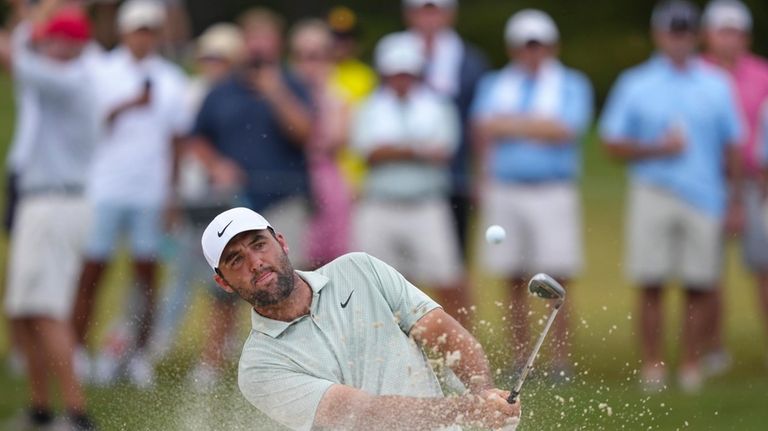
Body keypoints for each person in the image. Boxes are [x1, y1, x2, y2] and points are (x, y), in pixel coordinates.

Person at [200, 207, 521, 430]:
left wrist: (486, 396)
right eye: (236, 260)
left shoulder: (359, 269)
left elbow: (446, 336)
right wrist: (469, 411)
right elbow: (362, 414)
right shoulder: (258, 367)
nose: (255, 263)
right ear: (223, 283)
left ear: (281, 242)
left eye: (259, 245)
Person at [599, 0, 743, 393]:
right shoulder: (636, 82)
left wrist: (734, 200)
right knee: (651, 281)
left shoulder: (717, 83)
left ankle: (692, 364)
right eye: (671, 32)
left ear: (694, 36)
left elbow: (732, 146)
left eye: (685, 33)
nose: (678, 40)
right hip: (654, 191)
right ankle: (654, 365)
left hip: (705, 194)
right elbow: (612, 143)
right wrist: (656, 149)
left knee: (700, 283)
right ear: (659, 35)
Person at [71, 0, 191, 388]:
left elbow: (176, 143)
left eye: (150, 30)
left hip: (150, 191)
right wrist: (128, 105)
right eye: (138, 29)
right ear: (124, 33)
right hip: (105, 186)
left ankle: (139, 354)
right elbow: (88, 128)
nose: (144, 37)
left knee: (147, 275)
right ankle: (76, 350)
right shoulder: (101, 72)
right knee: (93, 271)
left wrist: (172, 195)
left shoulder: (172, 79)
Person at [470, 9, 593, 376]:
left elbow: (565, 130)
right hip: (506, 189)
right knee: (511, 276)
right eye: (525, 46)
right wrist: (536, 126)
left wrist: (510, 124)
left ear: (551, 47)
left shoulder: (571, 83)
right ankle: (521, 359)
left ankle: (559, 359)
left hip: (552, 191)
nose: (532, 53)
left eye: (538, 45)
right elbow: (483, 127)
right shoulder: (495, 83)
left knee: (557, 277)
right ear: (514, 49)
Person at [2, 2, 100, 428]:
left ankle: (77, 414)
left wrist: (25, 18)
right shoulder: (53, 76)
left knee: (45, 310)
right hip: (40, 202)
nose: (50, 45)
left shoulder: (72, 79)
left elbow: (10, 55)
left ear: (74, 44)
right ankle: (42, 409)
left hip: (56, 204)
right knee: (21, 310)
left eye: (59, 39)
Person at [149, 22, 247, 390]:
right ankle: (160, 345)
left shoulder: (234, 97)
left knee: (227, 278)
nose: (213, 64)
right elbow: (181, 142)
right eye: (208, 56)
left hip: (224, 198)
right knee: (182, 274)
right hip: (191, 196)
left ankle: (222, 349)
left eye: (220, 57)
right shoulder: (191, 92)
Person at [351, 32, 470, 325]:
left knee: (447, 278)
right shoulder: (369, 107)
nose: (401, 80)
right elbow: (368, 153)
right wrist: (417, 148)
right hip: (380, 205)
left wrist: (393, 148)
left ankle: (458, 351)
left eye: (407, 74)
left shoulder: (438, 106)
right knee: (373, 285)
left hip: (426, 205)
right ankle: (385, 350)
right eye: (395, 74)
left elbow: (443, 151)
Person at [187, 7, 313, 268]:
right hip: (234, 202)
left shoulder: (295, 84)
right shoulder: (222, 90)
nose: (258, 47)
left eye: (265, 38)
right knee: (229, 286)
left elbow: (305, 134)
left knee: (287, 279)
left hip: (285, 200)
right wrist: (216, 165)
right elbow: (197, 138)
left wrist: (276, 92)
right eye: (252, 38)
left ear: (279, 43)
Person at [700, 0, 768, 374]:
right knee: (708, 272)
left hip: (758, 183)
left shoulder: (763, 74)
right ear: (708, 35)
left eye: (737, 31)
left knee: (764, 266)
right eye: (723, 31)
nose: (731, 39)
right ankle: (712, 349)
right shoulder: (696, 74)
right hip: (708, 183)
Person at [402, 0, 489, 268]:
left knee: (453, 264)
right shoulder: (394, 51)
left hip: (455, 175)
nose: (429, 19)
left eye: (435, 10)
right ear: (410, 14)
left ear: (450, 14)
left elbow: (479, 121)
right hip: (403, 179)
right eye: (422, 11)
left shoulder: (470, 60)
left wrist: (480, 174)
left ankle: (450, 313)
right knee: (400, 268)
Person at [288, 19, 353, 267]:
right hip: (290, 183)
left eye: (315, 56)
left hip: (325, 183)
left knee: (332, 263)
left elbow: (332, 141)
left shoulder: (337, 97)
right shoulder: (283, 95)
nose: (307, 65)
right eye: (301, 56)